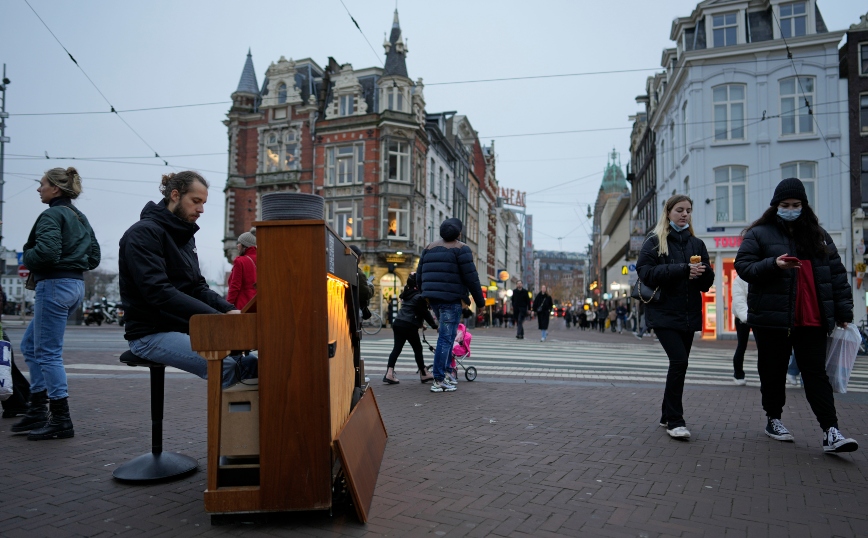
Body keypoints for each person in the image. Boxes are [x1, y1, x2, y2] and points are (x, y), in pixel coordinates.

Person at [735, 177, 858, 453]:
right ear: (775, 205)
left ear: (804, 205)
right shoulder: (759, 234)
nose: (791, 209)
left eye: (796, 204)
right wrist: (774, 264)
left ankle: (831, 431)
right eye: (785, 204)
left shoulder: (819, 235)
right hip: (772, 319)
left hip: (811, 318)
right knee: (773, 372)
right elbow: (744, 267)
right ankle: (774, 419)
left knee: (815, 375)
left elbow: (837, 276)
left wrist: (843, 311)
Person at [119, 171, 257, 389]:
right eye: (196, 201)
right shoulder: (143, 234)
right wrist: (215, 319)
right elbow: (159, 292)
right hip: (151, 333)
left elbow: (197, 286)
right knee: (230, 367)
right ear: (175, 195)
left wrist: (229, 310)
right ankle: (238, 422)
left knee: (253, 360)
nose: (201, 209)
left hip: (182, 326)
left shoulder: (184, 236)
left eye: (203, 203)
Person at [11, 167, 100, 440]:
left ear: (56, 189)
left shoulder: (52, 214)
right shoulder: (78, 216)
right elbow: (94, 257)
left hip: (53, 285)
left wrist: (28, 255)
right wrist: (73, 264)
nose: (39, 189)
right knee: (30, 345)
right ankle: (37, 408)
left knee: (48, 353)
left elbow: (47, 253)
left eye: (42, 184)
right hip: (74, 285)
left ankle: (61, 419)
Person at [636, 194, 713, 440]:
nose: (684, 214)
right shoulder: (655, 241)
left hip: (688, 314)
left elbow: (706, 284)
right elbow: (645, 272)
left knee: (678, 365)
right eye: (679, 210)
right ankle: (675, 420)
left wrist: (702, 273)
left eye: (688, 210)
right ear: (668, 213)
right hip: (663, 313)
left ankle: (665, 414)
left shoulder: (697, 244)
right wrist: (682, 269)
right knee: (680, 362)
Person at [416, 218, 484, 393]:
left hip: (434, 300)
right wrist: (480, 302)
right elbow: (472, 278)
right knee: (446, 338)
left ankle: (446, 373)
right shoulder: (461, 249)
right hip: (451, 300)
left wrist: (425, 294)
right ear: (459, 233)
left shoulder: (428, 248)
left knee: (447, 335)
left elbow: (419, 275)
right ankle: (439, 379)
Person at [383, 273, 437, 384]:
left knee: (396, 349)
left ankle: (389, 373)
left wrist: (420, 324)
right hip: (408, 325)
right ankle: (424, 373)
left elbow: (410, 310)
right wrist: (435, 326)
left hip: (398, 323)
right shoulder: (418, 296)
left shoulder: (407, 294)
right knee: (418, 349)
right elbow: (425, 313)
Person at [226, 228, 257, 310]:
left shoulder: (240, 261)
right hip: (257, 304)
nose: (237, 245)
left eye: (239, 243)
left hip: (242, 305)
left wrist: (226, 306)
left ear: (244, 245)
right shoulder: (263, 259)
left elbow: (235, 286)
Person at [730, 275, 749, 385]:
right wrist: (747, 317)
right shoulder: (739, 279)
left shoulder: (759, 274)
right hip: (742, 317)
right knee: (742, 345)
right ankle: (738, 374)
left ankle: (764, 375)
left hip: (756, 315)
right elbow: (739, 300)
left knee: (763, 347)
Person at [349, 246, 375, 320]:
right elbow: (365, 293)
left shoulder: (343, 268)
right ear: (356, 257)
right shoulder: (358, 273)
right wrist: (371, 286)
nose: (360, 259)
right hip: (355, 309)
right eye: (360, 257)